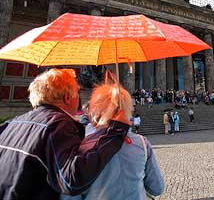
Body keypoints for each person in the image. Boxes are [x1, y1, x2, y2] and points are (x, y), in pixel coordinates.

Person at [0, 68, 129, 200]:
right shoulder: (57, 124)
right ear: (68, 98)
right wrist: (116, 132)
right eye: (78, 92)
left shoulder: (11, 124)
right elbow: (71, 181)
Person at [60, 79, 164, 200]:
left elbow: (70, 195)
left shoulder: (81, 145)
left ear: (95, 109)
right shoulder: (141, 143)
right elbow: (157, 188)